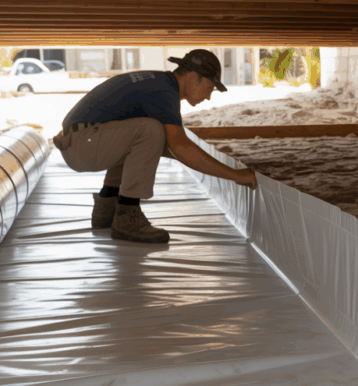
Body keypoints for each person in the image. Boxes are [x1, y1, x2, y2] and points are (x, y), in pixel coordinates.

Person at [52, 49, 258, 244]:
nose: (208, 97)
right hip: (83, 144)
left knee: (142, 135)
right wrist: (235, 175)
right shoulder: (164, 92)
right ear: (194, 77)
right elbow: (180, 147)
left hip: (79, 141)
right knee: (151, 130)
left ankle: (107, 210)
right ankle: (127, 216)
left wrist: (200, 159)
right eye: (210, 88)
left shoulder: (159, 83)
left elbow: (170, 148)